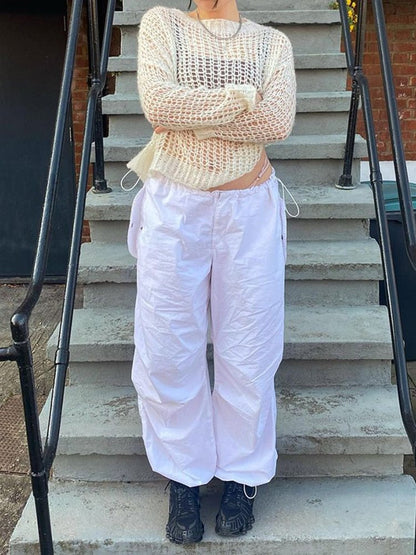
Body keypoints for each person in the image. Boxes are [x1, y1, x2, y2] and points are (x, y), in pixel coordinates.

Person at [125, 0, 296, 545]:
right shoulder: (162, 25)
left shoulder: (273, 43)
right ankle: (183, 475)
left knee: (249, 347)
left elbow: (277, 121)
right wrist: (241, 98)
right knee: (167, 345)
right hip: (175, 207)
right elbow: (158, 103)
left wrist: (193, 113)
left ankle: (243, 475)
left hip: (249, 210)